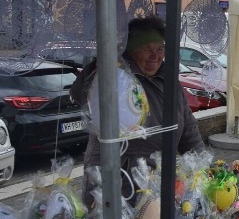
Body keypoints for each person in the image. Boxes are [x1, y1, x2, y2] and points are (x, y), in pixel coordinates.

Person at [73, 16, 205, 204]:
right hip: (118, 183)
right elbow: (82, 94)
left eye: (160, 49)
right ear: (131, 52)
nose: (155, 56)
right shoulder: (116, 79)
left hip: (158, 181)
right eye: (147, 49)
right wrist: (99, 66)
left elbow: (189, 132)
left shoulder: (170, 83)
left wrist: (201, 169)